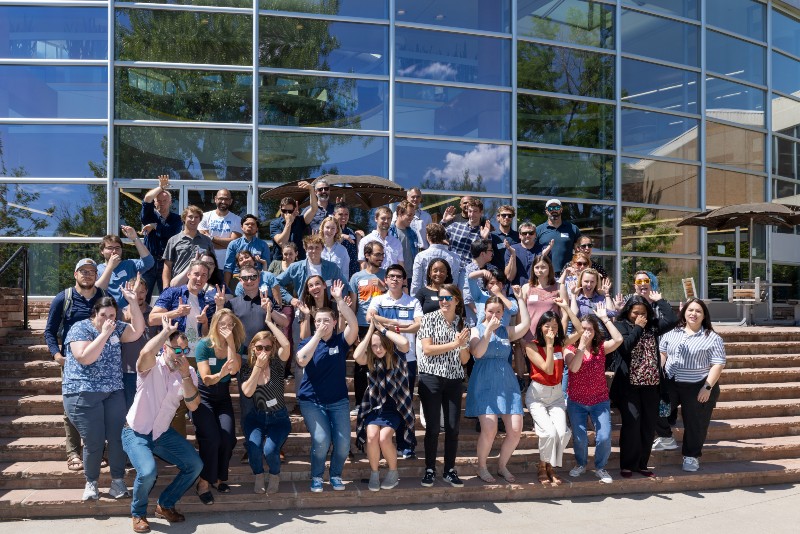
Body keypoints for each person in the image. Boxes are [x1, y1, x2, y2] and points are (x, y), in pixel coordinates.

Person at [122, 317, 203, 533]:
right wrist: (165, 332)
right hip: (136, 432)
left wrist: (185, 375)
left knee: (195, 465)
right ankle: (138, 513)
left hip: (161, 434)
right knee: (148, 472)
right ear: (165, 347)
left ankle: (165, 504)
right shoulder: (152, 365)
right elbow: (144, 355)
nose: (181, 356)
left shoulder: (189, 373)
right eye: (177, 350)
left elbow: (194, 405)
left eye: (185, 351)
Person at [62, 289, 144, 501]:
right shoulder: (79, 328)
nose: (108, 320)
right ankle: (91, 482)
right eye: (104, 316)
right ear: (94, 314)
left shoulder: (117, 328)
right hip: (82, 392)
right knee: (94, 440)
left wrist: (133, 303)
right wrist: (105, 333)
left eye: (112, 316)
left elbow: (136, 331)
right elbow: (85, 357)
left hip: (113, 391)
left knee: (118, 438)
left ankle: (118, 481)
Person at [44, 258, 112, 472]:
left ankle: (96, 450)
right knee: (72, 408)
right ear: (75, 274)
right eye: (83, 271)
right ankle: (73, 452)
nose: (88, 275)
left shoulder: (104, 297)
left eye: (92, 271)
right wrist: (57, 355)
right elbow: (49, 331)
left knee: (99, 407)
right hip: (72, 360)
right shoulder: (63, 299)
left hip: (100, 360)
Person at [295, 280, 359, 492]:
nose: (322, 323)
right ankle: (316, 476)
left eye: (326, 320)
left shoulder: (340, 342)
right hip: (311, 401)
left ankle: (335, 475)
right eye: (318, 320)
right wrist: (316, 336)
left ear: (333, 322)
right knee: (322, 440)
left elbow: (354, 325)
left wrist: (339, 300)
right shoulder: (308, 342)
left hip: (338, 401)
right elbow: (301, 360)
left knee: (342, 444)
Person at [610, 294, 678, 479]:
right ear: (628, 312)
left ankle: (642, 464)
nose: (639, 316)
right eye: (635, 313)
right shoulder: (620, 326)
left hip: (652, 384)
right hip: (629, 385)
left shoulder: (652, 327)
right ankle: (627, 464)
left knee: (648, 426)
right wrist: (638, 328)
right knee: (632, 424)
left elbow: (672, 320)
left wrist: (659, 301)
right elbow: (625, 347)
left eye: (643, 313)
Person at [466, 288, 531, 483]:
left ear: (503, 314)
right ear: (483, 311)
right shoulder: (476, 330)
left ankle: (502, 465)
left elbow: (526, 325)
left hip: (506, 382)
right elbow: (477, 353)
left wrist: (520, 300)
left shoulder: (506, 331)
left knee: (515, 429)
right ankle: (482, 467)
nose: (494, 315)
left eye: (498, 312)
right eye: (490, 311)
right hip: (484, 381)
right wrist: (487, 331)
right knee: (490, 428)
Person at [659, 298, 726, 472]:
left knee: (696, 423)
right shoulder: (672, 332)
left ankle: (691, 456)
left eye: (698, 311)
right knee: (657, 410)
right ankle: (666, 438)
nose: (693, 314)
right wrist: (659, 366)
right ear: (684, 312)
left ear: (704, 316)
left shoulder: (712, 338)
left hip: (698, 385)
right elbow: (663, 352)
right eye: (690, 310)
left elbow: (718, 364)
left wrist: (707, 387)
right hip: (672, 381)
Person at [417, 284, 471, 488]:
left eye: (448, 298)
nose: (443, 302)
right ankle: (429, 469)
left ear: (457, 300)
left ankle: (449, 469)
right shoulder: (429, 318)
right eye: (441, 298)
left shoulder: (461, 323)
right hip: (431, 377)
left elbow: (465, 360)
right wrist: (455, 344)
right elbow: (427, 349)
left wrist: (463, 345)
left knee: (453, 427)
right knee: (432, 427)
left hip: (454, 379)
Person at [367, 264, 423, 459]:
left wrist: (389, 324)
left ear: (404, 280)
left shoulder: (413, 301)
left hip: (407, 359)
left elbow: (417, 326)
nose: (395, 279)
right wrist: (400, 325)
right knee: (384, 402)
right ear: (386, 279)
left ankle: (405, 445)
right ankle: (384, 446)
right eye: (391, 276)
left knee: (405, 403)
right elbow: (370, 317)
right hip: (382, 359)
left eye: (399, 276)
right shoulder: (378, 299)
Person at [524, 301, 583, 486]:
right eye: (547, 326)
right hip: (537, 396)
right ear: (540, 327)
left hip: (556, 395)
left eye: (555, 327)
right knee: (548, 433)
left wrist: (566, 308)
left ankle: (548, 465)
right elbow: (548, 369)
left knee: (563, 432)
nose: (551, 330)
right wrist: (549, 346)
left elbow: (580, 331)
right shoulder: (531, 346)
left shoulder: (561, 343)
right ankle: (543, 467)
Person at [564, 305, 623, 486]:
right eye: (583, 329)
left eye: (590, 329)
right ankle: (581, 464)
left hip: (599, 400)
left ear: (595, 331)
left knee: (604, 436)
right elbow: (573, 368)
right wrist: (581, 346)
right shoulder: (569, 348)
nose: (587, 332)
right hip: (577, 401)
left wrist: (605, 319)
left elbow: (619, 339)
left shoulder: (601, 348)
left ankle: (600, 467)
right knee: (580, 437)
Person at [353, 319, 414, 492]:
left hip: (396, 408)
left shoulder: (398, 357)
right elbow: (357, 356)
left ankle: (393, 472)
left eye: (381, 345)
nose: (378, 349)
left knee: (383, 438)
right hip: (375, 407)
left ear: (387, 344)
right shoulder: (372, 361)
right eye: (374, 346)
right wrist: (370, 331)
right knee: (371, 437)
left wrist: (382, 330)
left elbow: (404, 342)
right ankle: (374, 473)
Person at [192, 308, 244, 505]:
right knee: (212, 439)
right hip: (204, 396)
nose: (226, 328)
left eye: (230, 325)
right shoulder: (204, 345)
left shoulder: (235, 344)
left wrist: (230, 342)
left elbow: (235, 369)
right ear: (214, 325)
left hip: (222, 396)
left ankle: (219, 477)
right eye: (222, 325)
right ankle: (204, 482)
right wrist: (222, 373)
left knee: (228, 438)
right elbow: (206, 379)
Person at [240, 305, 292, 494]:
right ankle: (259, 475)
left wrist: (270, 322)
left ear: (272, 349)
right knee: (254, 448)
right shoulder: (247, 368)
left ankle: (275, 474)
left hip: (278, 417)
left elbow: (286, 346)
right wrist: (257, 368)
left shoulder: (278, 365)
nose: (263, 351)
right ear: (253, 348)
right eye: (259, 347)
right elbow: (247, 391)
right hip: (256, 417)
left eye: (267, 348)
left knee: (270, 450)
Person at [349, 241, 387, 416]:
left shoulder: (387, 275)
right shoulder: (357, 277)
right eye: (377, 254)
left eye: (382, 254)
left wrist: (384, 288)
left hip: (383, 327)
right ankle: (359, 403)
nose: (381, 257)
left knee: (384, 364)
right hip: (362, 326)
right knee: (360, 366)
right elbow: (354, 305)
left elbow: (393, 301)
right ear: (367, 255)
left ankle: (383, 401)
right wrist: (354, 329)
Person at [140, 174, 182, 301]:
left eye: (165, 201)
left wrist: (155, 226)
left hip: (167, 263)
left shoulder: (176, 219)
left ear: (170, 202)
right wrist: (160, 187)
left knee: (166, 296)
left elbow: (171, 233)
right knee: (142, 296)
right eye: (159, 200)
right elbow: (147, 198)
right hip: (149, 263)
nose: (162, 203)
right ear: (155, 202)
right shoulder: (149, 216)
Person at [120, 277, 158, 411]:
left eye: (142, 292)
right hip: (127, 372)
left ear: (147, 291)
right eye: (135, 292)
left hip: (150, 371)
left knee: (149, 410)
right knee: (129, 411)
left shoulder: (154, 314)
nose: (139, 295)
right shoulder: (121, 314)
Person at [97, 228, 154, 306]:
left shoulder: (130, 264)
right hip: (109, 313)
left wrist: (135, 238)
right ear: (102, 251)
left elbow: (149, 262)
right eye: (110, 248)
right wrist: (110, 267)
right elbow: (97, 290)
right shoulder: (97, 269)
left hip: (131, 311)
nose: (114, 251)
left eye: (117, 248)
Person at [162, 205, 213, 291]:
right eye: (190, 217)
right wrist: (166, 288)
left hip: (200, 286)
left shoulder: (207, 241)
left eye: (196, 217)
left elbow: (212, 265)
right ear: (184, 219)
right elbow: (167, 266)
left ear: (200, 220)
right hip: (179, 285)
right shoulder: (173, 240)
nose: (193, 220)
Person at [409, 222, 462, 297]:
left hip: (426, 298)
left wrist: (414, 300)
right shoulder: (455, 257)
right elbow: (454, 283)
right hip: (447, 298)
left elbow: (416, 283)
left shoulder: (420, 256)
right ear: (443, 238)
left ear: (428, 237)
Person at [198, 189, 243, 269]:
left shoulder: (237, 220)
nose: (223, 201)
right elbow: (203, 241)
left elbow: (234, 244)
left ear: (230, 201)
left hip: (227, 266)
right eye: (221, 198)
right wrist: (225, 244)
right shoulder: (204, 217)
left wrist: (211, 238)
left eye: (226, 199)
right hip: (206, 265)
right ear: (215, 199)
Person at [223, 214, 271, 288]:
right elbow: (228, 267)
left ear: (257, 228)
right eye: (247, 224)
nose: (250, 226)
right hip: (237, 279)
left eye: (253, 224)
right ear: (242, 227)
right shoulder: (233, 244)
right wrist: (226, 288)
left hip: (257, 279)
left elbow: (267, 265)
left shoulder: (263, 245)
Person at [536, 199, 581, 275]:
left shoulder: (572, 228)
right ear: (546, 211)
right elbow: (533, 252)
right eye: (550, 208)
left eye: (557, 208)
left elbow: (579, 250)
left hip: (568, 273)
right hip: (545, 273)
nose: (554, 210)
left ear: (561, 210)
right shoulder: (538, 230)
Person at [442, 198, 491, 268]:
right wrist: (444, 221)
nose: (472, 214)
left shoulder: (485, 232)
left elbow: (487, 257)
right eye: (470, 211)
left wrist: (483, 239)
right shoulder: (455, 226)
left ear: (481, 212)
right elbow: (437, 236)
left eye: (475, 211)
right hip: (452, 270)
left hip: (471, 273)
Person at [520, 254, 560, 336]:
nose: (540, 270)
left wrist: (561, 335)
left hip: (551, 335)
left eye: (543, 267)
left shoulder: (559, 287)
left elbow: (564, 315)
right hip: (529, 334)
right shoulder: (526, 288)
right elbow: (520, 314)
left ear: (549, 268)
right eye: (537, 267)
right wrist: (520, 337)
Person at [505, 222, 553, 286]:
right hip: (517, 291)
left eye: (531, 233)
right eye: (524, 233)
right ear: (519, 235)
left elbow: (549, 275)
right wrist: (513, 255)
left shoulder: (544, 250)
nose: (527, 235)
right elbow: (510, 277)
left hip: (538, 290)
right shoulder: (511, 249)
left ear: (535, 235)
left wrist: (543, 256)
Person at [462, 238, 495, 328]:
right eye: (490, 250)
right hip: (474, 318)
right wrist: (481, 313)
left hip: (492, 316)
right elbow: (466, 297)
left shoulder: (492, 268)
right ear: (482, 253)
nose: (492, 252)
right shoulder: (466, 270)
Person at [389, 200, 420, 284]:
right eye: (409, 215)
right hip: (394, 277)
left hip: (411, 276)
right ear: (400, 213)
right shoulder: (389, 233)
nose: (412, 218)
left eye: (413, 216)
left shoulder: (413, 233)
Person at [270, 197, 307, 261]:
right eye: (284, 211)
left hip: (298, 261)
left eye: (290, 211)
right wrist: (288, 222)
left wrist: (311, 190)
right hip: (280, 262)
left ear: (294, 210)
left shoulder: (301, 220)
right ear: (280, 209)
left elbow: (313, 209)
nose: (286, 214)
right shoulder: (274, 223)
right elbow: (282, 243)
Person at [333, 202, 362, 281]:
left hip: (353, 270)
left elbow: (357, 251)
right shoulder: (331, 231)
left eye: (346, 214)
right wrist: (342, 236)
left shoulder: (350, 231)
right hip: (339, 271)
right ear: (334, 215)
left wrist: (358, 237)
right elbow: (331, 244)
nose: (344, 217)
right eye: (340, 214)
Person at [319, 215, 351, 279]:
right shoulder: (315, 248)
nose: (330, 230)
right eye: (327, 227)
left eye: (333, 228)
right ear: (322, 228)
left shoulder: (343, 250)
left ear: (336, 230)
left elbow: (345, 274)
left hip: (336, 287)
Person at [489, 205, 519, 273]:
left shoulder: (518, 236)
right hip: (497, 275)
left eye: (509, 215)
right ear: (498, 217)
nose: (507, 217)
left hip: (514, 274)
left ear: (512, 218)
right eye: (503, 215)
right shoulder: (492, 236)